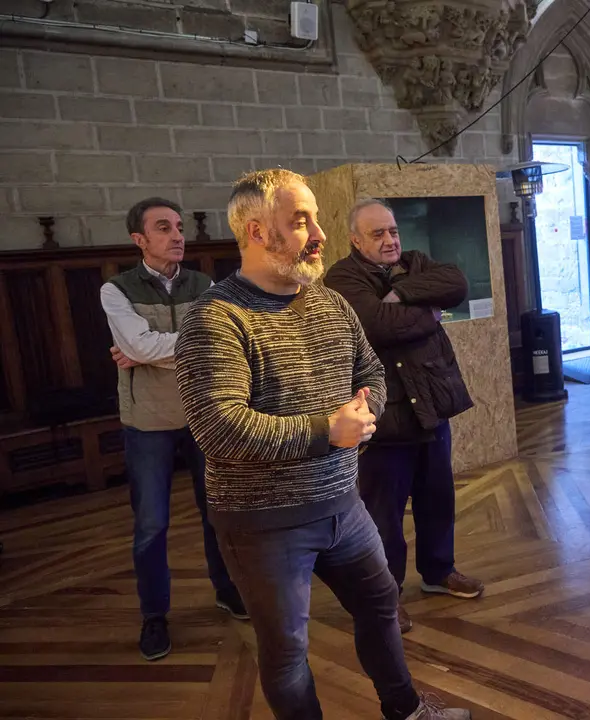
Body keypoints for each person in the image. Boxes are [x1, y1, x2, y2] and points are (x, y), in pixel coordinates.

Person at [174, 169, 469, 720]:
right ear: (257, 231)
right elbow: (218, 427)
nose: (320, 234)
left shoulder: (329, 304)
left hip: (342, 504)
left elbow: (371, 371)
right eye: (301, 221)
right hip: (263, 519)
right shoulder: (215, 319)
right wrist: (327, 431)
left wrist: (366, 412)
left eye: (315, 219)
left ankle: (406, 710)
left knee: (381, 607)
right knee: (287, 651)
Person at [323, 198, 483, 636]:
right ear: (355, 240)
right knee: (383, 515)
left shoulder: (414, 263)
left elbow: (456, 283)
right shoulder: (341, 277)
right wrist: (429, 313)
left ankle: (439, 571)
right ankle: (386, 593)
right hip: (384, 415)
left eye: (393, 231)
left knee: (438, 498)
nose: (390, 240)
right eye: (378, 234)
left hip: (430, 404)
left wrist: (403, 293)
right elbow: (378, 325)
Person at [100, 197, 246, 662]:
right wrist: (149, 348)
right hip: (147, 422)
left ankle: (227, 589)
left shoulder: (204, 284)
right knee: (151, 525)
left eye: (179, 226)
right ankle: (154, 616)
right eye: (164, 227)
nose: (178, 235)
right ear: (139, 239)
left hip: (203, 416)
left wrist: (144, 351)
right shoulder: (116, 290)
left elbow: (220, 339)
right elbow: (146, 344)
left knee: (217, 512)